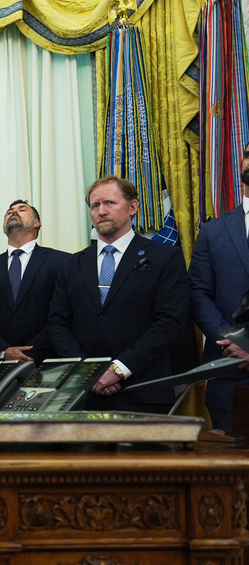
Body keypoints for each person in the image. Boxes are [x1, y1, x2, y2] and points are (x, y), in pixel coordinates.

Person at [48, 175, 189, 413]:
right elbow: (57, 322)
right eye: (95, 206)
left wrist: (118, 370)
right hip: (82, 397)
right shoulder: (71, 264)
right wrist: (88, 374)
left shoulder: (165, 258)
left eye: (110, 203)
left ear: (132, 207)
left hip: (144, 391)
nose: (101, 211)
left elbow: (169, 322)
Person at [189, 144, 249, 432]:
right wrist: (237, 343)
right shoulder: (213, 232)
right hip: (229, 370)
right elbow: (197, 293)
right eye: (248, 154)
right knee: (231, 471)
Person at [0, 199, 68, 364]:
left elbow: (64, 314)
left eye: (22, 209)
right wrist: (3, 350)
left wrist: (32, 352)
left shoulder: (61, 262)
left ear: (37, 223)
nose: (13, 212)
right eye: (9, 211)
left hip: (47, 363)